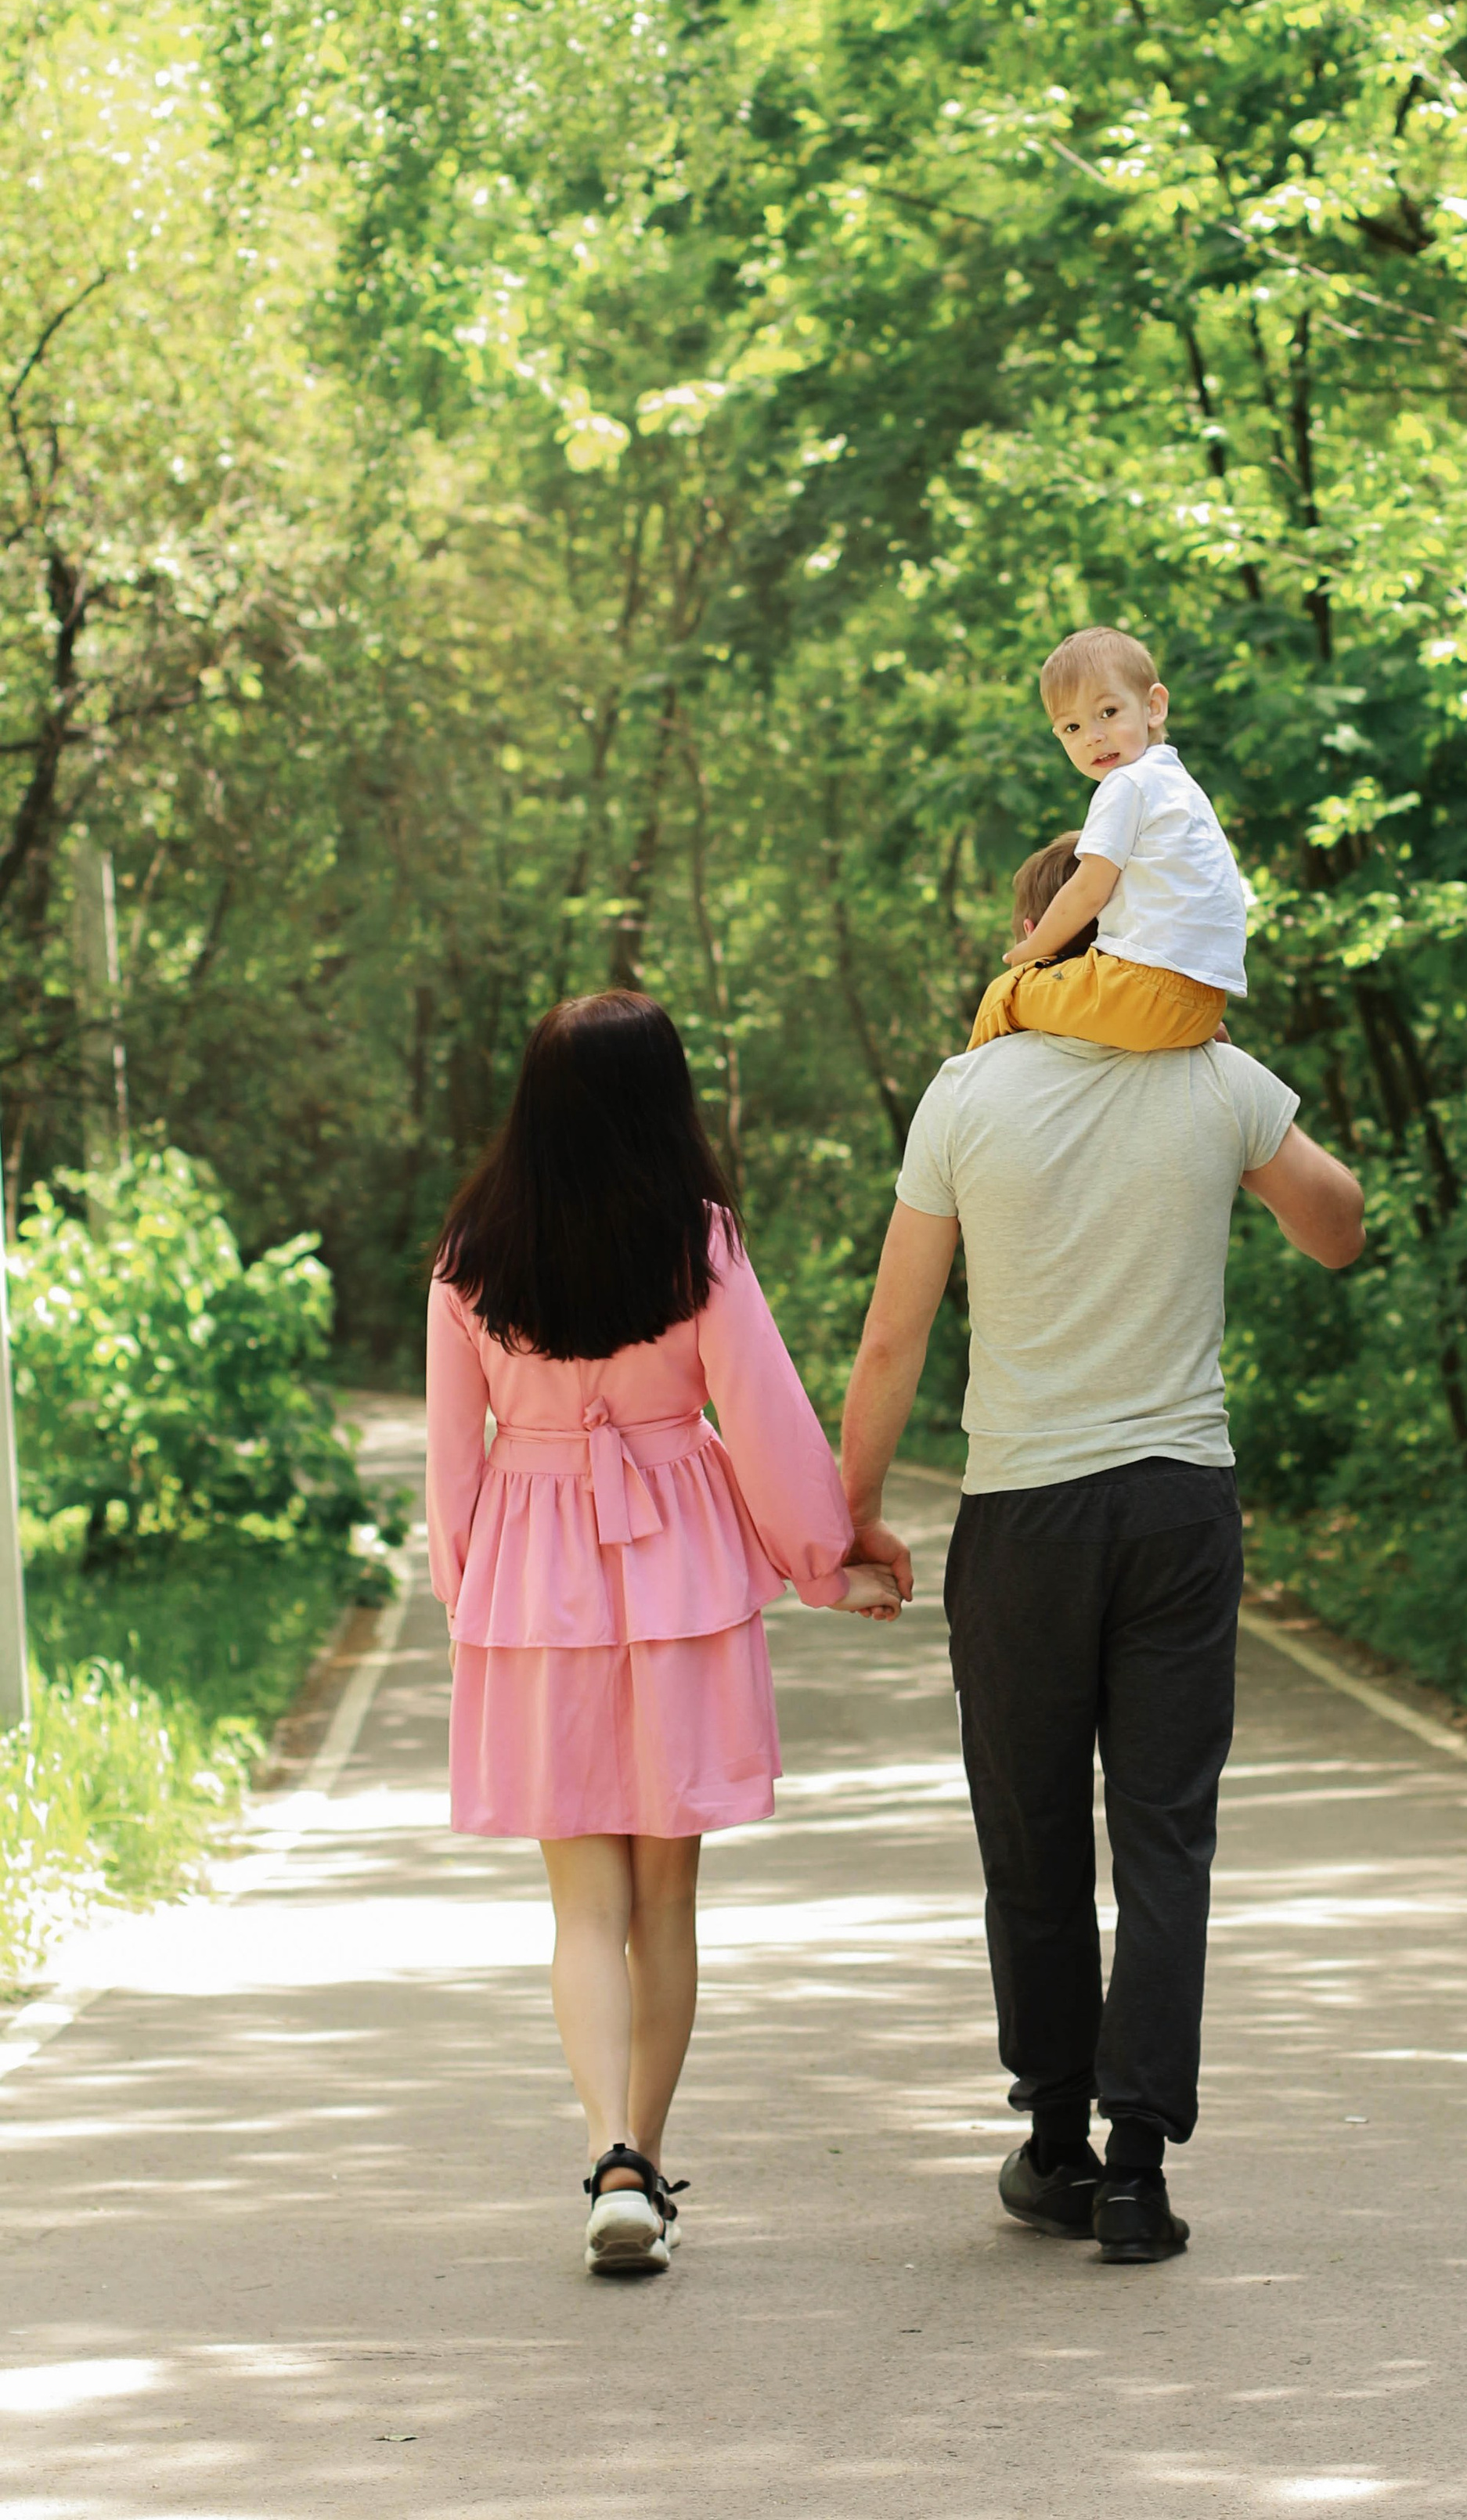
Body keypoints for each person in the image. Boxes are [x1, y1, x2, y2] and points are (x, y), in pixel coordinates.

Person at [842, 835, 1364, 2265]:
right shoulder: (1217, 1079)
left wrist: (855, 1511)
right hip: (1180, 1508)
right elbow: (1339, 1229)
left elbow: (896, 1332)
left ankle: (1055, 2139)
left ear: (1033, 932)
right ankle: (1138, 2169)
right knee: (1165, 1837)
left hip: (1023, 1518)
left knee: (1031, 1837)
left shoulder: (972, 1091)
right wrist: (1242, 1111)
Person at [425, 990, 910, 2276]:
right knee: (666, 1893)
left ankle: (608, 2156)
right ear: (661, 1099)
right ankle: (642, 2154)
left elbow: (450, 1463)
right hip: (679, 1569)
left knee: (580, 1903)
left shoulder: (472, 1249)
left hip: (534, 1578)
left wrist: (472, 1598)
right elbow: (760, 1413)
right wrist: (828, 1560)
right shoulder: (696, 1239)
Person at [968, 624, 1247, 1055]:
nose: (1093, 736)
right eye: (1072, 727)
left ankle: (974, 1093)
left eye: (1108, 713)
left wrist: (1031, 949)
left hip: (1144, 988)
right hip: (1205, 1002)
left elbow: (1087, 890)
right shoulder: (1180, 787)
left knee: (1005, 994)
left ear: (1153, 706)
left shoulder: (1127, 784)